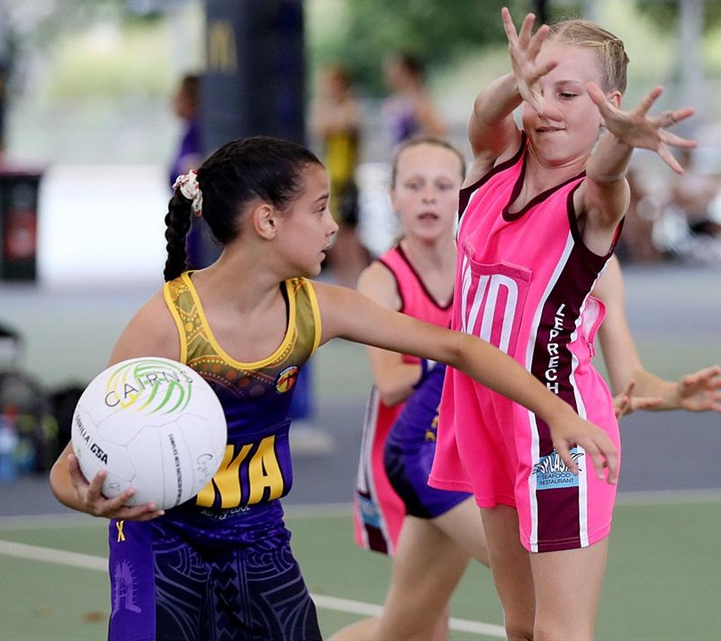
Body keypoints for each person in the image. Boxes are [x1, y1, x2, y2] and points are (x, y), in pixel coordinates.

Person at [48, 135, 618, 641]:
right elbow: (71, 463)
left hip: (259, 539)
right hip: (159, 543)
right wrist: (87, 497)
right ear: (267, 221)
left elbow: (459, 347)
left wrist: (556, 411)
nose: (332, 226)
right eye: (319, 209)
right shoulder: (165, 324)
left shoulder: (316, 310)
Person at [428, 9, 697, 639]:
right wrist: (514, 80)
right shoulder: (492, 166)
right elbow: (482, 117)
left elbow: (607, 175)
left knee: (559, 631)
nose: (545, 104)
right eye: (536, 86)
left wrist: (622, 139)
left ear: (610, 104)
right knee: (520, 626)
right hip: (483, 417)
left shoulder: (590, 201)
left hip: (558, 434)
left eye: (568, 92)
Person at [334, 255, 721, 641]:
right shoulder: (493, 219)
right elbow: (435, 364)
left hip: (530, 440)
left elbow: (629, 377)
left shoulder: (602, 262)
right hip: (438, 442)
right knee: (547, 617)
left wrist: (672, 393)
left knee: (409, 630)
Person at [350, 136, 463, 557]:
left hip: (463, 451)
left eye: (443, 185)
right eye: (414, 186)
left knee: (415, 619)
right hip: (402, 459)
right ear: (393, 197)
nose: (428, 197)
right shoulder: (382, 280)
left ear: (463, 194)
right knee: (418, 620)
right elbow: (391, 380)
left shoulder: (480, 271)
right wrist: (461, 358)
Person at [310, 64, 370, 287]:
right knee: (334, 233)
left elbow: (345, 123)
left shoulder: (351, 108)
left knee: (350, 235)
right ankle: (344, 280)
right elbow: (320, 127)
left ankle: (358, 280)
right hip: (332, 179)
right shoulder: (329, 108)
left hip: (347, 180)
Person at [167, 73, 209, 269]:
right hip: (189, 230)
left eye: (179, 94)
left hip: (201, 233)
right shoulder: (188, 132)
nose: (172, 99)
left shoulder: (199, 133)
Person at [382, 53, 447, 149]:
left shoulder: (420, 101)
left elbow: (440, 131)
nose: (390, 73)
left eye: (396, 69)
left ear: (410, 72)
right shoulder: (393, 102)